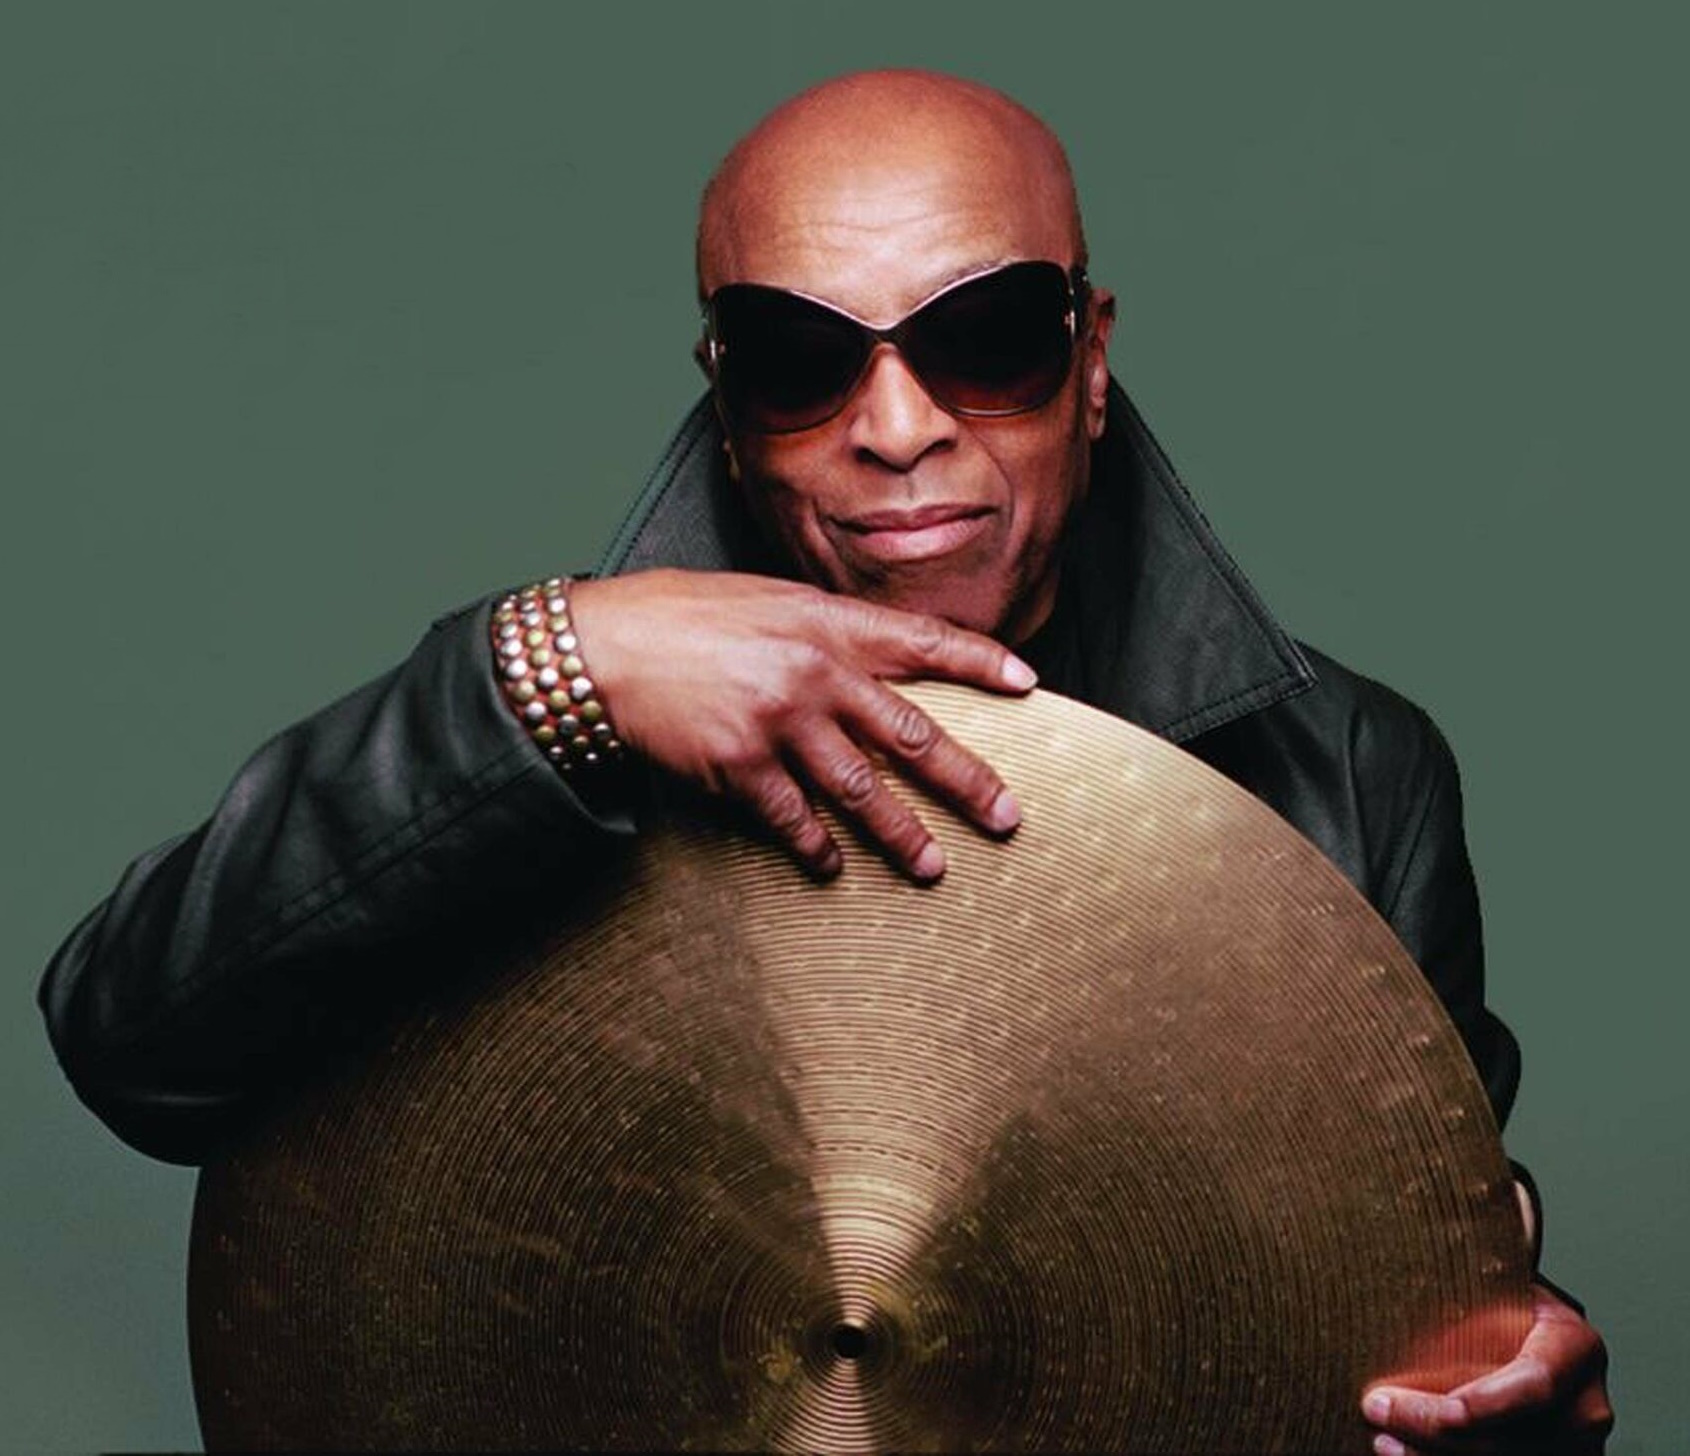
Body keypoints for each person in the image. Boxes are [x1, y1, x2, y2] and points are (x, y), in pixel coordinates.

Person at [39, 69, 1610, 1454]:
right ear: (727, 407)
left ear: (1091, 357)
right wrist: (553, 671)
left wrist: (1511, 1373)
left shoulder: (1349, 771)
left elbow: (1423, 1251)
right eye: (801, 360)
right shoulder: (562, 714)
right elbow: (134, 1044)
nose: (897, 425)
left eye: (985, 339)